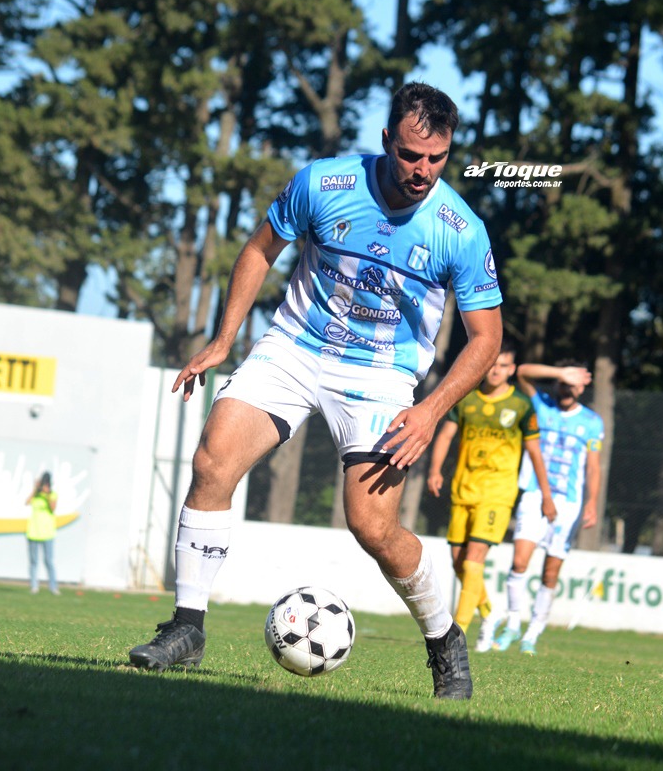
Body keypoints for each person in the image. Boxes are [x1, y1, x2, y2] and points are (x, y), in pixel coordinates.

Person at [127, 82, 502, 701]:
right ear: (386, 141)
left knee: (373, 525)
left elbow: (485, 339)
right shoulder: (325, 184)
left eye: (437, 158)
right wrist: (225, 340)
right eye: (411, 155)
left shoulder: (459, 228)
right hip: (295, 347)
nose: (423, 171)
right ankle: (186, 628)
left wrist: (431, 410)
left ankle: (444, 643)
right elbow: (259, 248)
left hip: (381, 375)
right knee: (211, 461)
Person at [425, 342, 555, 654]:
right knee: (459, 562)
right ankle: (489, 612)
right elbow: (445, 434)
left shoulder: (523, 406)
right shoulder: (466, 399)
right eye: (492, 365)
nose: (496, 371)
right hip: (464, 489)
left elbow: (535, 453)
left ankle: (455, 634)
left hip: (498, 493)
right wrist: (434, 470)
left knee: (473, 560)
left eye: (504, 366)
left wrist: (546, 495)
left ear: (512, 370)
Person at [492, 361, 603, 656]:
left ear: (582, 388)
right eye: (564, 382)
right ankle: (514, 622)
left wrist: (592, 502)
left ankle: (533, 633)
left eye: (574, 383)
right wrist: (560, 372)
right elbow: (523, 372)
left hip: (569, 504)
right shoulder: (540, 405)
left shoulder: (592, 422)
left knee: (550, 574)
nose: (568, 388)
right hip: (534, 495)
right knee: (519, 563)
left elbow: (593, 467)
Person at [25, 471, 59, 595]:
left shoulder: (52, 494)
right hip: (33, 531)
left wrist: (47, 493)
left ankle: (53, 587)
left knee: (48, 561)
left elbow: (53, 508)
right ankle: (34, 586)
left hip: (47, 532)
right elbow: (27, 502)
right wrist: (36, 489)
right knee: (33, 561)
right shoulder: (36, 495)